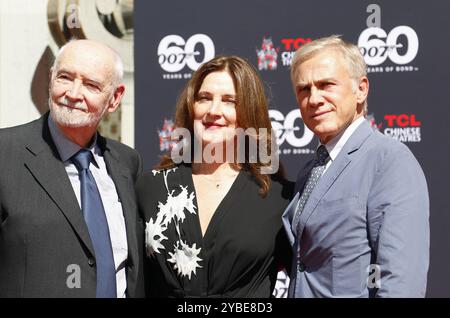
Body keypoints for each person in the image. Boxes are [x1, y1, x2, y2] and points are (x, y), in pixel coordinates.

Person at [282, 35, 430, 297]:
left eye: (326, 84)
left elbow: (401, 283)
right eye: (304, 89)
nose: (314, 98)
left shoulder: (389, 161)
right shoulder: (310, 170)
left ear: (361, 89)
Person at [136, 55, 293, 298]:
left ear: (250, 112)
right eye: (204, 98)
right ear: (192, 106)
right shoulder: (151, 187)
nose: (213, 111)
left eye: (230, 101)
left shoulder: (279, 199)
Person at [0, 39, 144, 297]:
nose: (74, 93)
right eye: (65, 77)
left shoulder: (127, 163)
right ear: (51, 78)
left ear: (115, 98)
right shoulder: (5, 153)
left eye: (91, 85)